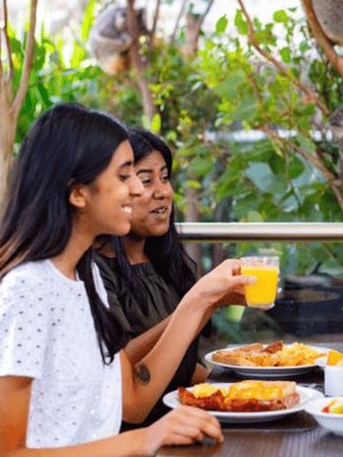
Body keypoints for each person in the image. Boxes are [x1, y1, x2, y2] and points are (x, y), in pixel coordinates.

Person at [0, 104, 252, 456]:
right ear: (78, 193)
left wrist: (203, 300)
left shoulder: (84, 278)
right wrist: (144, 439)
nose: (138, 190)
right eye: (125, 176)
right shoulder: (27, 290)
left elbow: (133, 399)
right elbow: (4, 454)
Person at [94, 128, 244, 428]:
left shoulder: (166, 262)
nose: (161, 191)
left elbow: (182, 367)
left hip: (183, 422)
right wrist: (199, 302)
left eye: (164, 177)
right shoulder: (94, 271)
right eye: (145, 180)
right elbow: (122, 370)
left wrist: (245, 388)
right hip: (135, 434)